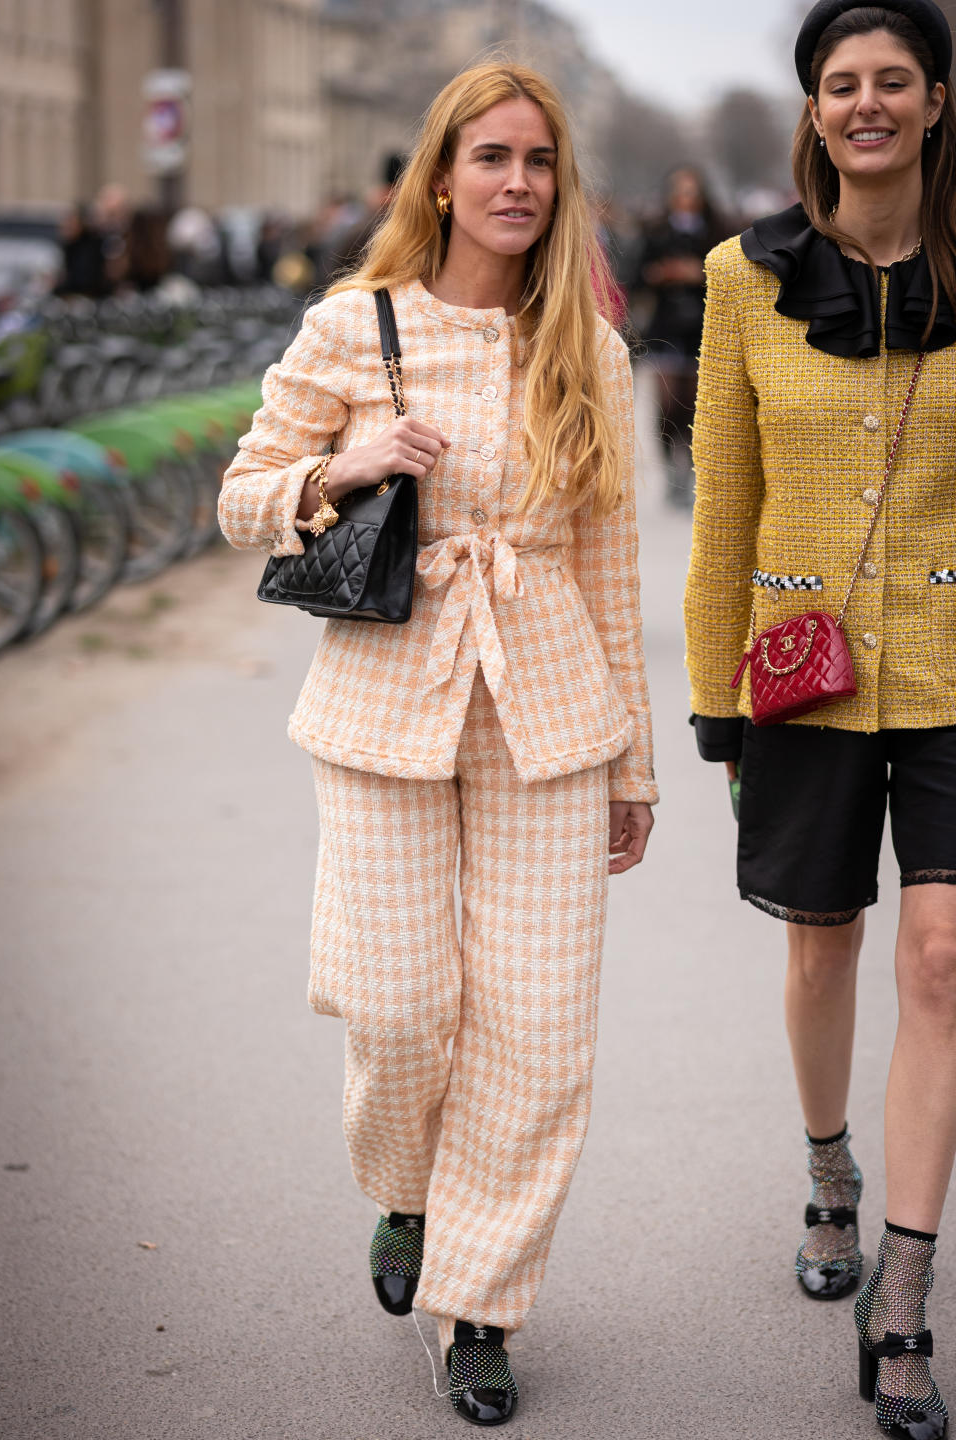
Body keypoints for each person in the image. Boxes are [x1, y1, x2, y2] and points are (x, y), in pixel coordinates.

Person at [218, 61, 657, 1427]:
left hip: (551, 714)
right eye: (491, 158)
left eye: (538, 160)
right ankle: (406, 1193)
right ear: (443, 175)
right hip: (385, 706)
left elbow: (609, 561)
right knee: (402, 1007)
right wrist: (340, 470)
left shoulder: (592, 349)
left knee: (539, 1035)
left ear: (558, 181)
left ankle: (481, 1303)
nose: (517, 182)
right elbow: (239, 500)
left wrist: (633, 766)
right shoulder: (355, 326)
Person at [685, 3, 956, 1437]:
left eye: (892, 81)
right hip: (804, 671)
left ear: (933, 101)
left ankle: (902, 1296)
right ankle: (829, 1164)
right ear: (814, 109)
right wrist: (713, 698)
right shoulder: (745, 277)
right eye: (841, 83)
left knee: (943, 956)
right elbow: (721, 499)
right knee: (821, 946)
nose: (867, 103)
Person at [638, 167, 726, 506]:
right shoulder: (656, 231)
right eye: (680, 191)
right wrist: (661, 274)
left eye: (692, 192)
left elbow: (729, 275)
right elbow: (637, 276)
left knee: (693, 405)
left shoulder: (716, 233)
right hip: (666, 328)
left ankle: (688, 467)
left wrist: (698, 274)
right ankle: (669, 468)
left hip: (702, 329)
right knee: (667, 403)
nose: (686, 199)